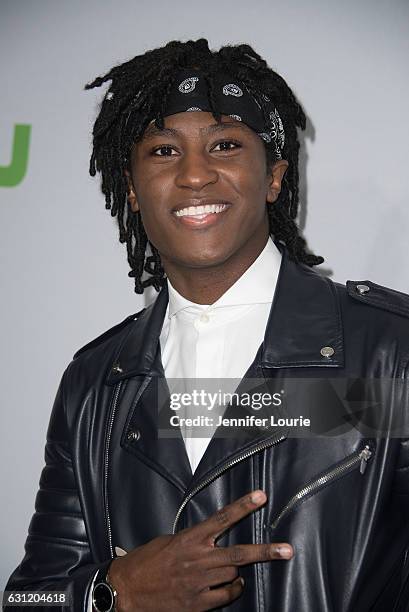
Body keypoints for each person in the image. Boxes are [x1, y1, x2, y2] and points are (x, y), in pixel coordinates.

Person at [4, 38, 409, 612]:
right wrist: (112, 591)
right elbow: (27, 599)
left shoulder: (390, 352)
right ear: (131, 189)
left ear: (273, 177)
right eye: (164, 151)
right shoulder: (96, 382)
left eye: (224, 145)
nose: (195, 175)